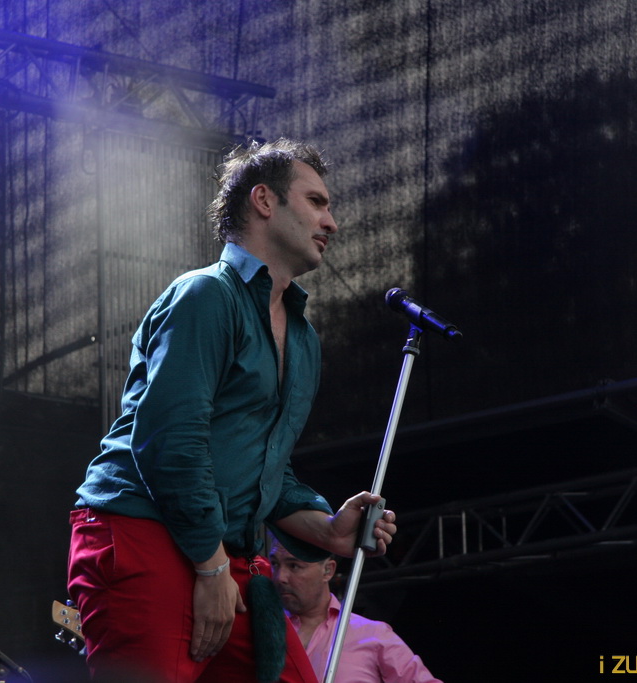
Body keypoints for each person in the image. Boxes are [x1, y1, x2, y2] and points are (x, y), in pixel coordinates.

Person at [67, 138, 398, 683]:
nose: (331, 222)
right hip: (143, 530)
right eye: (316, 201)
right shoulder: (205, 296)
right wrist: (211, 564)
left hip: (222, 554)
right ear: (264, 201)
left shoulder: (304, 339)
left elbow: (265, 469)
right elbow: (170, 442)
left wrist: (328, 531)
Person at [269, 538, 442, 683]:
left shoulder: (373, 634)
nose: (280, 577)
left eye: (294, 566)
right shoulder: (263, 633)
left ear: (328, 570)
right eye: (275, 564)